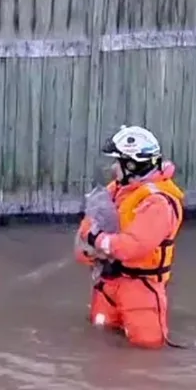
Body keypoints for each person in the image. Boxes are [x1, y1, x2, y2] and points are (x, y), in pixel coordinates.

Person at [74, 125, 185, 349]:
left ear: (133, 165)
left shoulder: (158, 203)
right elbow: (89, 223)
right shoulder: (117, 190)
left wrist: (97, 240)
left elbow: (132, 247)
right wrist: (88, 247)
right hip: (108, 283)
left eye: (119, 162)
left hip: (141, 289)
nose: (114, 167)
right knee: (99, 339)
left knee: (146, 350)